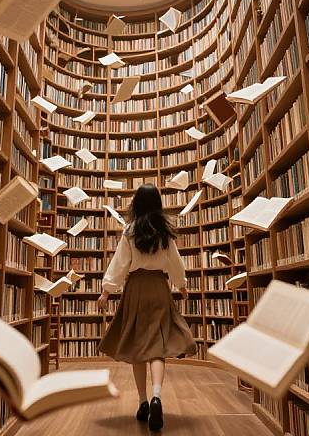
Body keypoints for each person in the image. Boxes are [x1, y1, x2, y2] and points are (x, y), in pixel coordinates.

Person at [97, 184, 196, 432]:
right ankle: (157, 397)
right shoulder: (165, 232)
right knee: (157, 346)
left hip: (136, 289)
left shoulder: (129, 231)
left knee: (138, 345)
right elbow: (175, 263)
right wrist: (182, 286)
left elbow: (120, 264)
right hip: (159, 289)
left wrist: (107, 291)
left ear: (136, 204)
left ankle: (142, 402)